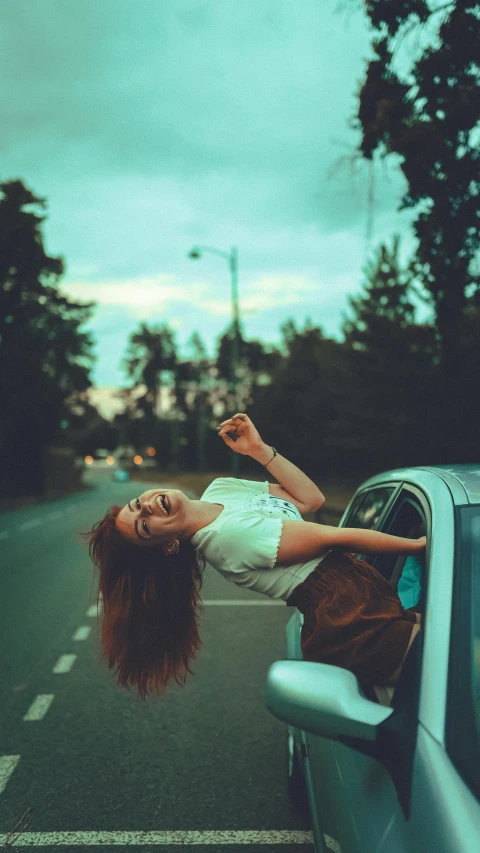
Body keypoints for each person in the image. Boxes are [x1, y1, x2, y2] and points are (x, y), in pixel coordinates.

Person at [87, 412, 425, 700]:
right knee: (460, 663)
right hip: (347, 617)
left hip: (360, 589)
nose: (146, 507)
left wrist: (260, 451)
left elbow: (310, 501)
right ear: (170, 546)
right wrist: (420, 545)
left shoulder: (220, 488)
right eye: (145, 526)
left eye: (136, 505)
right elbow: (331, 537)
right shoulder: (225, 539)